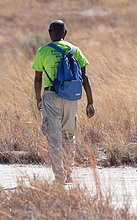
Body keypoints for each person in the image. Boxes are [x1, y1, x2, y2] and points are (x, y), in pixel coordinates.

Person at [32, 20, 95, 184]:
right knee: (68, 136)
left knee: (54, 138)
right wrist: (90, 101)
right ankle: (68, 174)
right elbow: (85, 77)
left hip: (51, 96)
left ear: (49, 33)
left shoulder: (43, 52)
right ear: (65, 34)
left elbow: (38, 79)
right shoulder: (76, 51)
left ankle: (58, 176)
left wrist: (39, 99)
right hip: (71, 98)